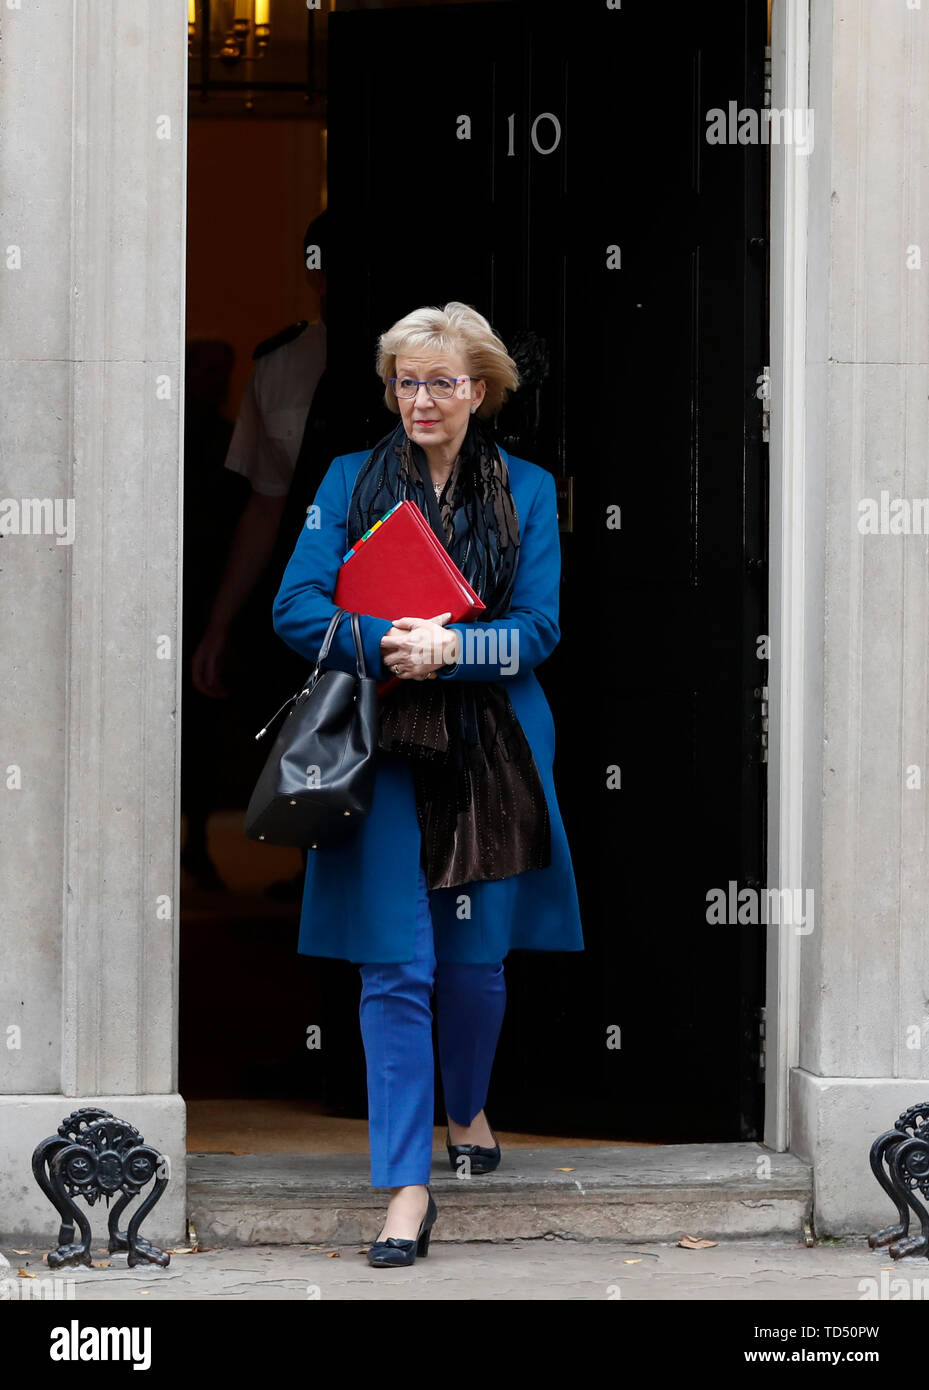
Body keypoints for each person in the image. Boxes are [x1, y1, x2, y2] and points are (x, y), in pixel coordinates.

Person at [271, 302, 585, 1268]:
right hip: (377, 744)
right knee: (395, 964)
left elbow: (536, 628)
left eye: (442, 382)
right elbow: (297, 610)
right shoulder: (342, 481)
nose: (420, 398)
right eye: (405, 381)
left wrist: (452, 649)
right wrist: (389, 646)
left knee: (475, 963)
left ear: (480, 391)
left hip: (493, 743)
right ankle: (406, 1189)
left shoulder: (526, 490)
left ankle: (467, 1101)